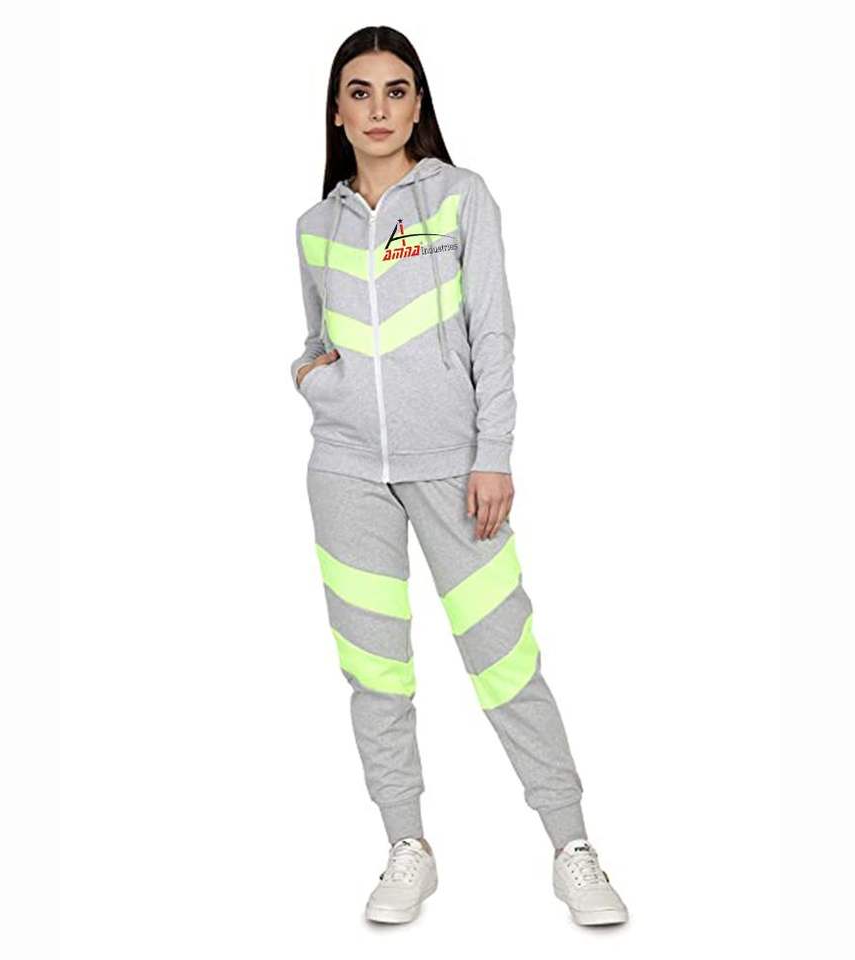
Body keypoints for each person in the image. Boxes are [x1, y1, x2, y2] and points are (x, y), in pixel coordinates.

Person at [290, 25, 629, 928]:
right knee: (376, 671)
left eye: (395, 91)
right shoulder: (315, 227)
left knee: (505, 661)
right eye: (359, 92)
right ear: (337, 111)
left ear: (418, 105)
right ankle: (407, 844)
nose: (378, 109)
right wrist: (312, 376)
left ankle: (572, 846)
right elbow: (317, 336)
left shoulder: (459, 198)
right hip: (346, 472)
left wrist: (493, 453)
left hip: (454, 468)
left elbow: (494, 331)